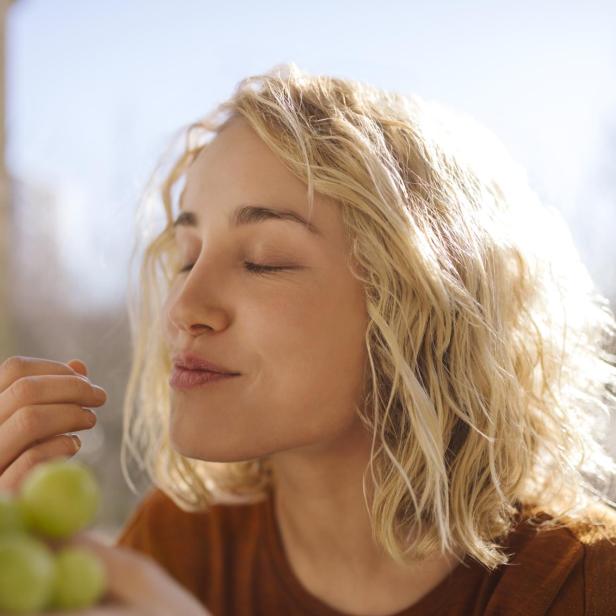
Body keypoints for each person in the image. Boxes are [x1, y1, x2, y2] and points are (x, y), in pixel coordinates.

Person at [1, 62, 616, 615]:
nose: (183, 308)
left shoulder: (587, 583)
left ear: (420, 305)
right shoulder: (177, 545)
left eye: (264, 260)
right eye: (187, 258)